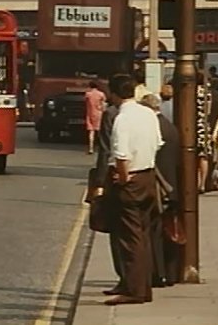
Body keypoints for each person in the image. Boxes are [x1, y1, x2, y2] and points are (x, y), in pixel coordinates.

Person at [104, 73, 163, 305]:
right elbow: (158, 143)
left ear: (115, 93)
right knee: (142, 234)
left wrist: (123, 176)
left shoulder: (122, 119)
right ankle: (136, 284)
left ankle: (136, 291)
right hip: (148, 175)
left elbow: (121, 154)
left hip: (130, 180)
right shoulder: (148, 113)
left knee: (130, 238)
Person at [139, 93, 180, 288]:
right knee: (168, 232)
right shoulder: (170, 127)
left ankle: (158, 274)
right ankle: (170, 273)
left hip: (159, 187)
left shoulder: (154, 128)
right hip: (171, 186)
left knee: (155, 232)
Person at [94, 98, 123, 297]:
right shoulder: (146, 114)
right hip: (146, 177)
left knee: (119, 232)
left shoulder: (112, 114)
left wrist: (99, 182)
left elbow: (105, 150)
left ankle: (126, 279)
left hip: (118, 176)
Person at [196, 72, 213, 194]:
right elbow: (208, 110)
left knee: (193, 155)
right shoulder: (207, 92)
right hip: (204, 124)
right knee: (204, 155)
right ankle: (203, 183)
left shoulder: (192, 90)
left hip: (193, 124)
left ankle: (196, 181)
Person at [85, 80, 106, 154]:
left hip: (90, 113)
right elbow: (103, 105)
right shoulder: (101, 94)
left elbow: (86, 103)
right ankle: (101, 146)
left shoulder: (88, 94)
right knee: (100, 131)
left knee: (91, 131)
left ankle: (91, 148)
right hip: (99, 113)